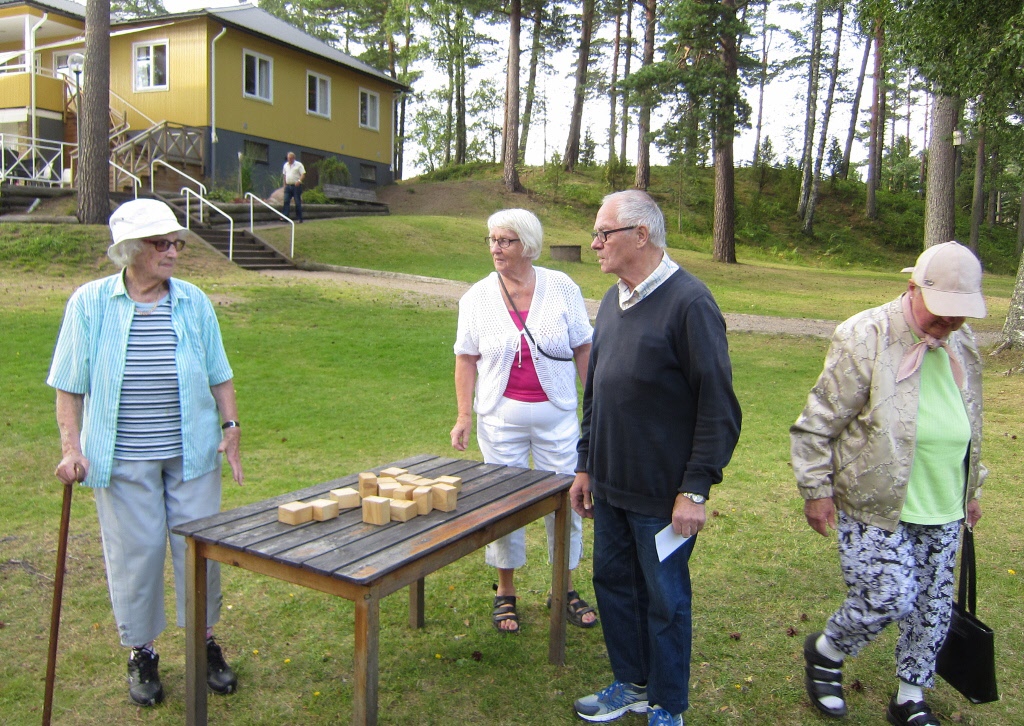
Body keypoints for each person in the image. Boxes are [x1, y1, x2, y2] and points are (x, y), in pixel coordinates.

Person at [48, 199, 244, 707]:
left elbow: (219, 372)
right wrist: (71, 448)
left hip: (192, 452)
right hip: (121, 457)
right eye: (161, 243)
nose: (173, 252)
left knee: (198, 551)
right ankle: (142, 651)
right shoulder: (89, 303)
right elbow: (68, 384)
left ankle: (203, 642)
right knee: (136, 555)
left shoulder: (194, 301)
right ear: (130, 250)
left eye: (176, 243)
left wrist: (231, 426)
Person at [791, 241, 987, 726]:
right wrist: (816, 490)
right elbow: (818, 421)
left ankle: (909, 698)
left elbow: (970, 418)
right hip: (874, 501)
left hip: (944, 500)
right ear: (913, 288)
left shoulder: (963, 342)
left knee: (932, 607)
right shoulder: (865, 335)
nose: (950, 322)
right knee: (889, 595)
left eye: (960, 313)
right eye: (942, 310)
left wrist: (972, 488)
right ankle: (827, 651)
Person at [570, 190, 742, 726]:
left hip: (662, 498)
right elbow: (597, 393)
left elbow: (719, 407)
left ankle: (667, 704)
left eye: (604, 233)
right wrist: (585, 465)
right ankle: (632, 683)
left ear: (640, 235)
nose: (595, 244)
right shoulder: (612, 301)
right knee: (614, 588)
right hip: (610, 487)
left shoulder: (690, 303)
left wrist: (694, 489)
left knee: (665, 601)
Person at [451, 208, 598, 633]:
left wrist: (598, 407)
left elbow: (583, 348)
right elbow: (466, 358)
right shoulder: (476, 297)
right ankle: (505, 590)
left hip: (558, 417)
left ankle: (564, 587)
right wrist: (464, 415)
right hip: (499, 419)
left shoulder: (562, 287)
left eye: (505, 240)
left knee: (569, 500)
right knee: (503, 503)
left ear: (528, 245)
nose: (496, 248)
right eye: (492, 240)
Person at [282, 151, 306, 223]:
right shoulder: (285, 165)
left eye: (290, 158)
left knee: (297, 202)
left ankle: (299, 218)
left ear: (293, 158)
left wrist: (299, 181)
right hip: (288, 185)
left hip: (296, 186)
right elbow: (285, 175)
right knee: (286, 201)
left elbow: (303, 174)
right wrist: (284, 184)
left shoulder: (299, 165)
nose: (289, 160)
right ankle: (285, 217)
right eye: (288, 158)